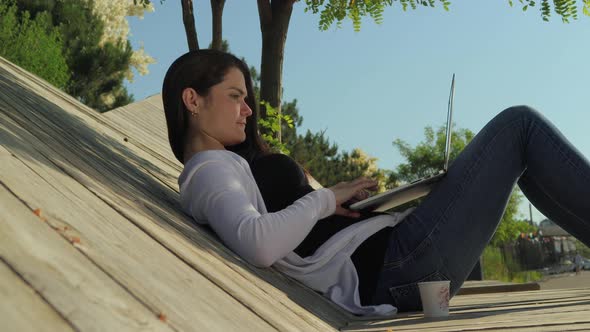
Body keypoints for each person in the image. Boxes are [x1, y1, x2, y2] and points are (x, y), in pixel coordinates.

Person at [162, 49, 590, 316]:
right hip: (397, 265)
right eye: (235, 97)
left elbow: (292, 229)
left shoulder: (227, 165)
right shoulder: (208, 170)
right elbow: (257, 242)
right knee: (519, 128)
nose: (247, 110)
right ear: (192, 99)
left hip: (396, 258)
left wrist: (339, 204)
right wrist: (325, 199)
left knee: (523, 152)